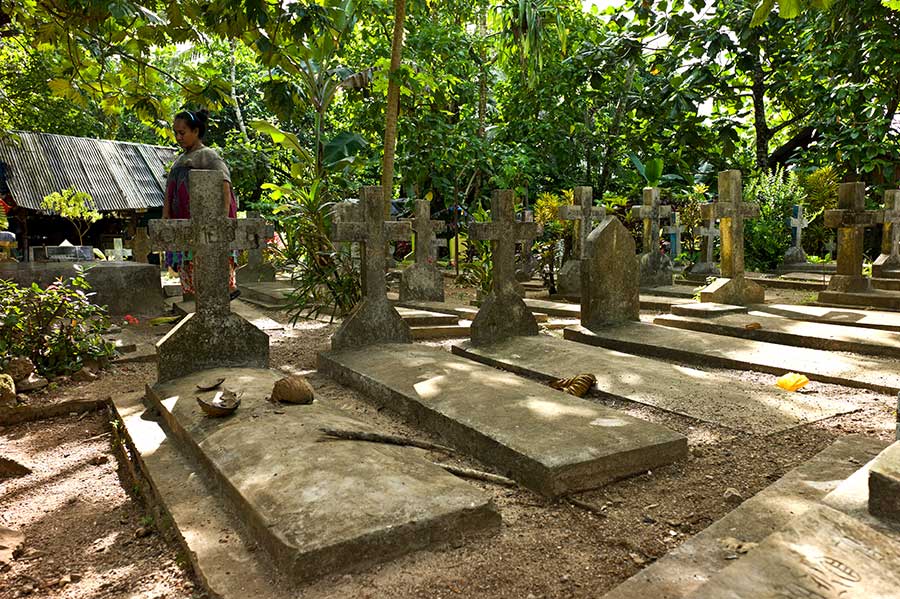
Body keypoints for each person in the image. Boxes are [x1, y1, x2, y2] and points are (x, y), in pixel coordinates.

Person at [163, 109, 240, 299]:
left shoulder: (209, 156)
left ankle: (224, 289)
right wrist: (166, 215)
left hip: (207, 220)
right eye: (176, 133)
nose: (178, 137)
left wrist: (222, 217)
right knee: (189, 261)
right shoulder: (179, 160)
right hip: (183, 220)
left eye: (183, 132)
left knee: (211, 257)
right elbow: (170, 191)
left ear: (196, 131)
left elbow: (224, 184)